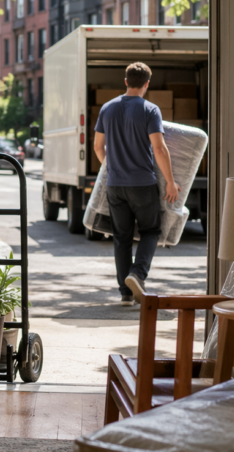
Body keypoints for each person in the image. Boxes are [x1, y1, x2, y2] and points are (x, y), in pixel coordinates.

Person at [93, 62, 181, 306]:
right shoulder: (150, 110)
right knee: (150, 231)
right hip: (142, 184)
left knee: (121, 237)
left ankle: (125, 293)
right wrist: (171, 182)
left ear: (125, 81)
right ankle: (138, 274)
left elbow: (98, 147)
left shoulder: (107, 108)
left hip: (115, 185)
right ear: (146, 84)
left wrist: (112, 169)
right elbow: (159, 149)